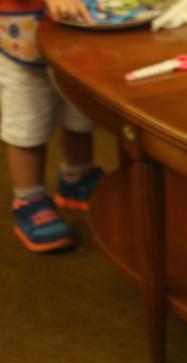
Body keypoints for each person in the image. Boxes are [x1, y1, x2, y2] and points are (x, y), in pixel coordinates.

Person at [1, 0, 103, 252]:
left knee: (78, 112)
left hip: (74, 35)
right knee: (28, 122)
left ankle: (77, 176)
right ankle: (29, 198)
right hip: (21, 42)